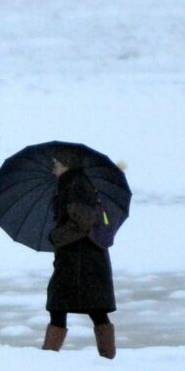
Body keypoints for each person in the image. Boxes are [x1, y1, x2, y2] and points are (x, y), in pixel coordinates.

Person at [42, 147, 117, 359]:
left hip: (81, 260)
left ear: (66, 165)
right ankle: (106, 356)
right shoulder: (73, 184)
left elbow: (82, 223)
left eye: (56, 164)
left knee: (68, 306)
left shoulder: (75, 186)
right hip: (81, 259)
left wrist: (56, 236)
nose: (53, 168)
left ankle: (49, 356)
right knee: (84, 307)